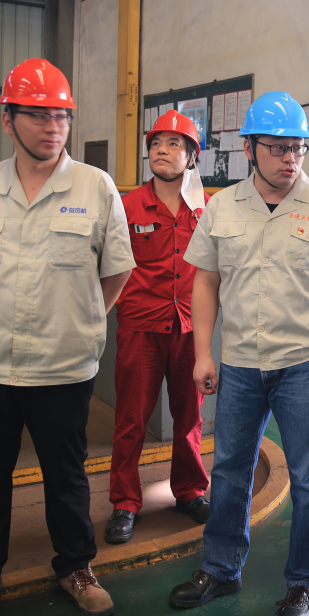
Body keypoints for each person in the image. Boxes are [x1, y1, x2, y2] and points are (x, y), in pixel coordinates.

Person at [0, 59, 135, 616]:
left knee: (66, 477)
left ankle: (76, 567)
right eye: (39, 116)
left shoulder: (95, 187)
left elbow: (117, 271)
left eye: (62, 116)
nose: (54, 128)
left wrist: (84, 321)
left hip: (63, 367)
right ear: (8, 119)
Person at [168, 91, 309, 616]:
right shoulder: (222, 207)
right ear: (249, 148)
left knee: (308, 480)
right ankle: (221, 568)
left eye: (298, 148)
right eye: (278, 148)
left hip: (304, 366)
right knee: (230, 471)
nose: (290, 158)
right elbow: (205, 282)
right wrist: (203, 353)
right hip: (238, 364)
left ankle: (303, 584)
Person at [105, 110, 211, 545]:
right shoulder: (126, 205)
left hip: (190, 327)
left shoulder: (206, 208)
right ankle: (125, 501)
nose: (162, 151)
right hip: (140, 328)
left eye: (173, 144)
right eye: (155, 143)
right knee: (131, 418)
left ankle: (189, 490)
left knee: (189, 417)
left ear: (192, 156)